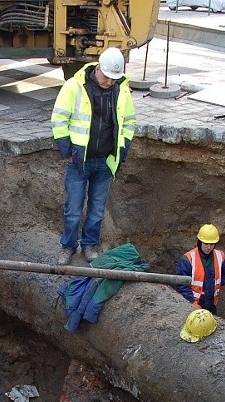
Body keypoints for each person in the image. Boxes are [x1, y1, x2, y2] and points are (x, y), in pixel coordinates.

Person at [51, 47, 136, 265]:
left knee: (97, 210)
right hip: (79, 161)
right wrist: (67, 151)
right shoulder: (74, 86)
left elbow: (128, 122)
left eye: (113, 79)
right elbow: (59, 119)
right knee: (73, 209)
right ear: (98, 68)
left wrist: (122, 149)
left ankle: (90, 244)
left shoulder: (121, 91)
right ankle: (68, 247)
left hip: (105, 161)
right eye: (107, 77)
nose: (110, 82)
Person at [175, 224, 225, 315]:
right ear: (200, 242)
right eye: (206, 244)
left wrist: (218, 283)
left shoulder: (220, 256)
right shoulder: (188, 259)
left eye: (212, 244)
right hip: (193, 304)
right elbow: (181, 285)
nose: (209, 247)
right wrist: (192, 302)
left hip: (211, 304)